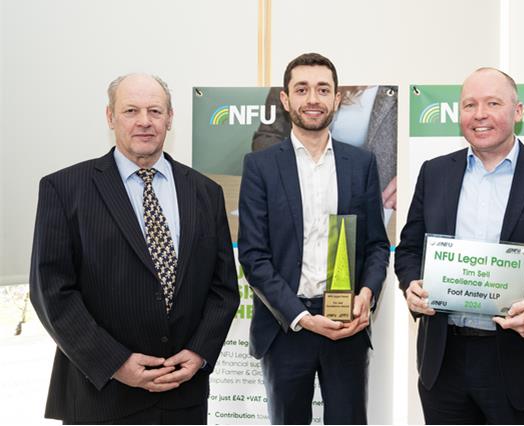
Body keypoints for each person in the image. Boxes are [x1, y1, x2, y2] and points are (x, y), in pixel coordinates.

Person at [29, 73, 240, 424]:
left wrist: (199, 352)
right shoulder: (64, 189)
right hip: (101, 398)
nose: (144, 121)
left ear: (170, 118)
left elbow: (223, 288)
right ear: (110, 116)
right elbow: (52, 293)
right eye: (131, 110)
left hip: (183, 398)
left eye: (155, 111)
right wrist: (114, 363)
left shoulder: (205, 192)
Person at [394, 67, 524, 424]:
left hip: (518, 361)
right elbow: (409, 249)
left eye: (493, 103)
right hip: (444, 359)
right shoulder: (435, 172)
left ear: (517, 111)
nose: (480, 114)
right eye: (469, 104)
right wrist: (411, 284)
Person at [238, 53, 389, 424]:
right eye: (302, 89)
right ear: (286, 100)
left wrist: (367, 295)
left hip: (346, 324)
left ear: (336, 98)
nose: (313, 99)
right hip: (287, 325)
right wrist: (302, 316)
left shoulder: (361, 164)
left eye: (323, 89)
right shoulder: (261, 166)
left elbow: (376, 246)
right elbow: (254, 257)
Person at [252, 84, 398, 210]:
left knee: (343, 241)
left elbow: (416, 143)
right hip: (299, 200)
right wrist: (283, 178)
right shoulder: (298, 69)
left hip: (372, 204)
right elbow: (268, 135)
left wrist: (410, 179)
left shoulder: (401, 83)